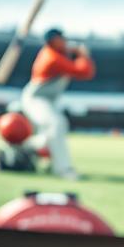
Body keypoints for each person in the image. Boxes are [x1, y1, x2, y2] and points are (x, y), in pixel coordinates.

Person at [18, 27, 95, 180]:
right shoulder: (51, 57)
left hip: (47, 100)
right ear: (54, 41)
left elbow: (68, 51)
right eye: (62, 38)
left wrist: (74, 50)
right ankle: (63, 170)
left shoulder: (57, 52)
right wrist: (83, 55)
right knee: (57, 123)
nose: (65, 41)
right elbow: (84, 72)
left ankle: (20, 149)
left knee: (54, 131)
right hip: (35, 99)